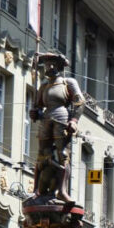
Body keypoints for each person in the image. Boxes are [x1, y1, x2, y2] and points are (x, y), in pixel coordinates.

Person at [30, 52, 84, 202]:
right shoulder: (44, 86)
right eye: (47, 64)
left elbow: (80, 102)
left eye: (53, 64)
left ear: (60, 66)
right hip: (46, 119)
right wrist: (35, 112)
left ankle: (62, 190)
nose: (50, 66)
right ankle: (37, 190)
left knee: (63, 155)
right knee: (42, 154)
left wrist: (74, 120)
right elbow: (38, 106)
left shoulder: (68, 82)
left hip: (62, 117)